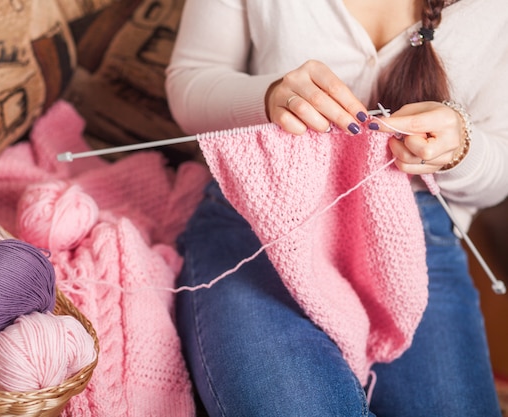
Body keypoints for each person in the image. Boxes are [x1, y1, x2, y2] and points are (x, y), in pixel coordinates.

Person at [165, 0, 508, 416]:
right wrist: (269, 96)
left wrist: (462, 150)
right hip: (259, 222)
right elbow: (189, 82)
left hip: (419, 240)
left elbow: (497, 179)